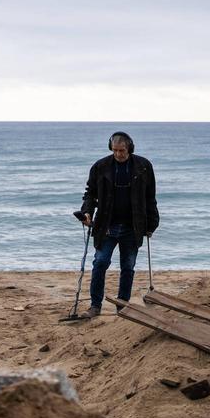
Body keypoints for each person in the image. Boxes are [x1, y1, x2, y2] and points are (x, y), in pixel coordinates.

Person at [77, 131, 159, 316]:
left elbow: (150, 197)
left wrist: (152, 224)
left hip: (133, 226)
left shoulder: (144, 166)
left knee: (128, 267)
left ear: (129, 148)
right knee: (100, 263)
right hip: (106, 225)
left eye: (121, 150)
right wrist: (87, 212)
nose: (118, 154)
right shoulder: (101, 166)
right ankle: (95, 306)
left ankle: (122, 305)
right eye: (115, 150)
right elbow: (90, 193)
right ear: (110, 148)